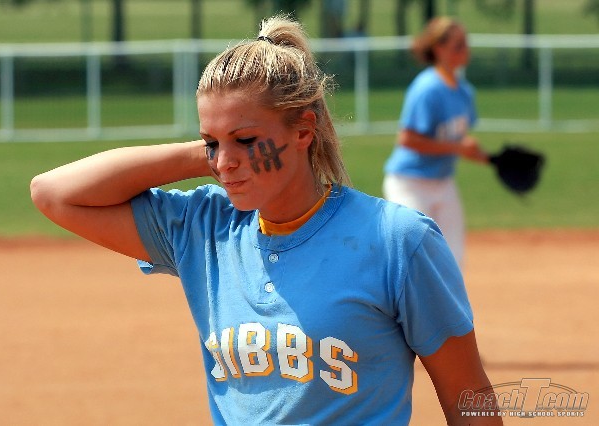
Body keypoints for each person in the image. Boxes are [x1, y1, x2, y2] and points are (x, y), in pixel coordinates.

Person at [31, 15, 500, 425]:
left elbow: (469, 397)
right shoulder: (203, 228)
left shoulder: (398, 240)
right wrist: (212, 153)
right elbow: (53, 194)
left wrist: (224, 145)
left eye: (245, 139)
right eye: (211, 142)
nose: (224, 161)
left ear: (303, 130)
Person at [383, 17, 489, 266]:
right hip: (410, 183)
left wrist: (491, 159)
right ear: (439, 49)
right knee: (413, 258)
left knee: (452, 260)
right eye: (458, 45)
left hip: (443, 181)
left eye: (465, 43)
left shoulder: (464, 91)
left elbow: (453, 139)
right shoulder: (427, 88)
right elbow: (407, 139)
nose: (465, 50)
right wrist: (459, 147)